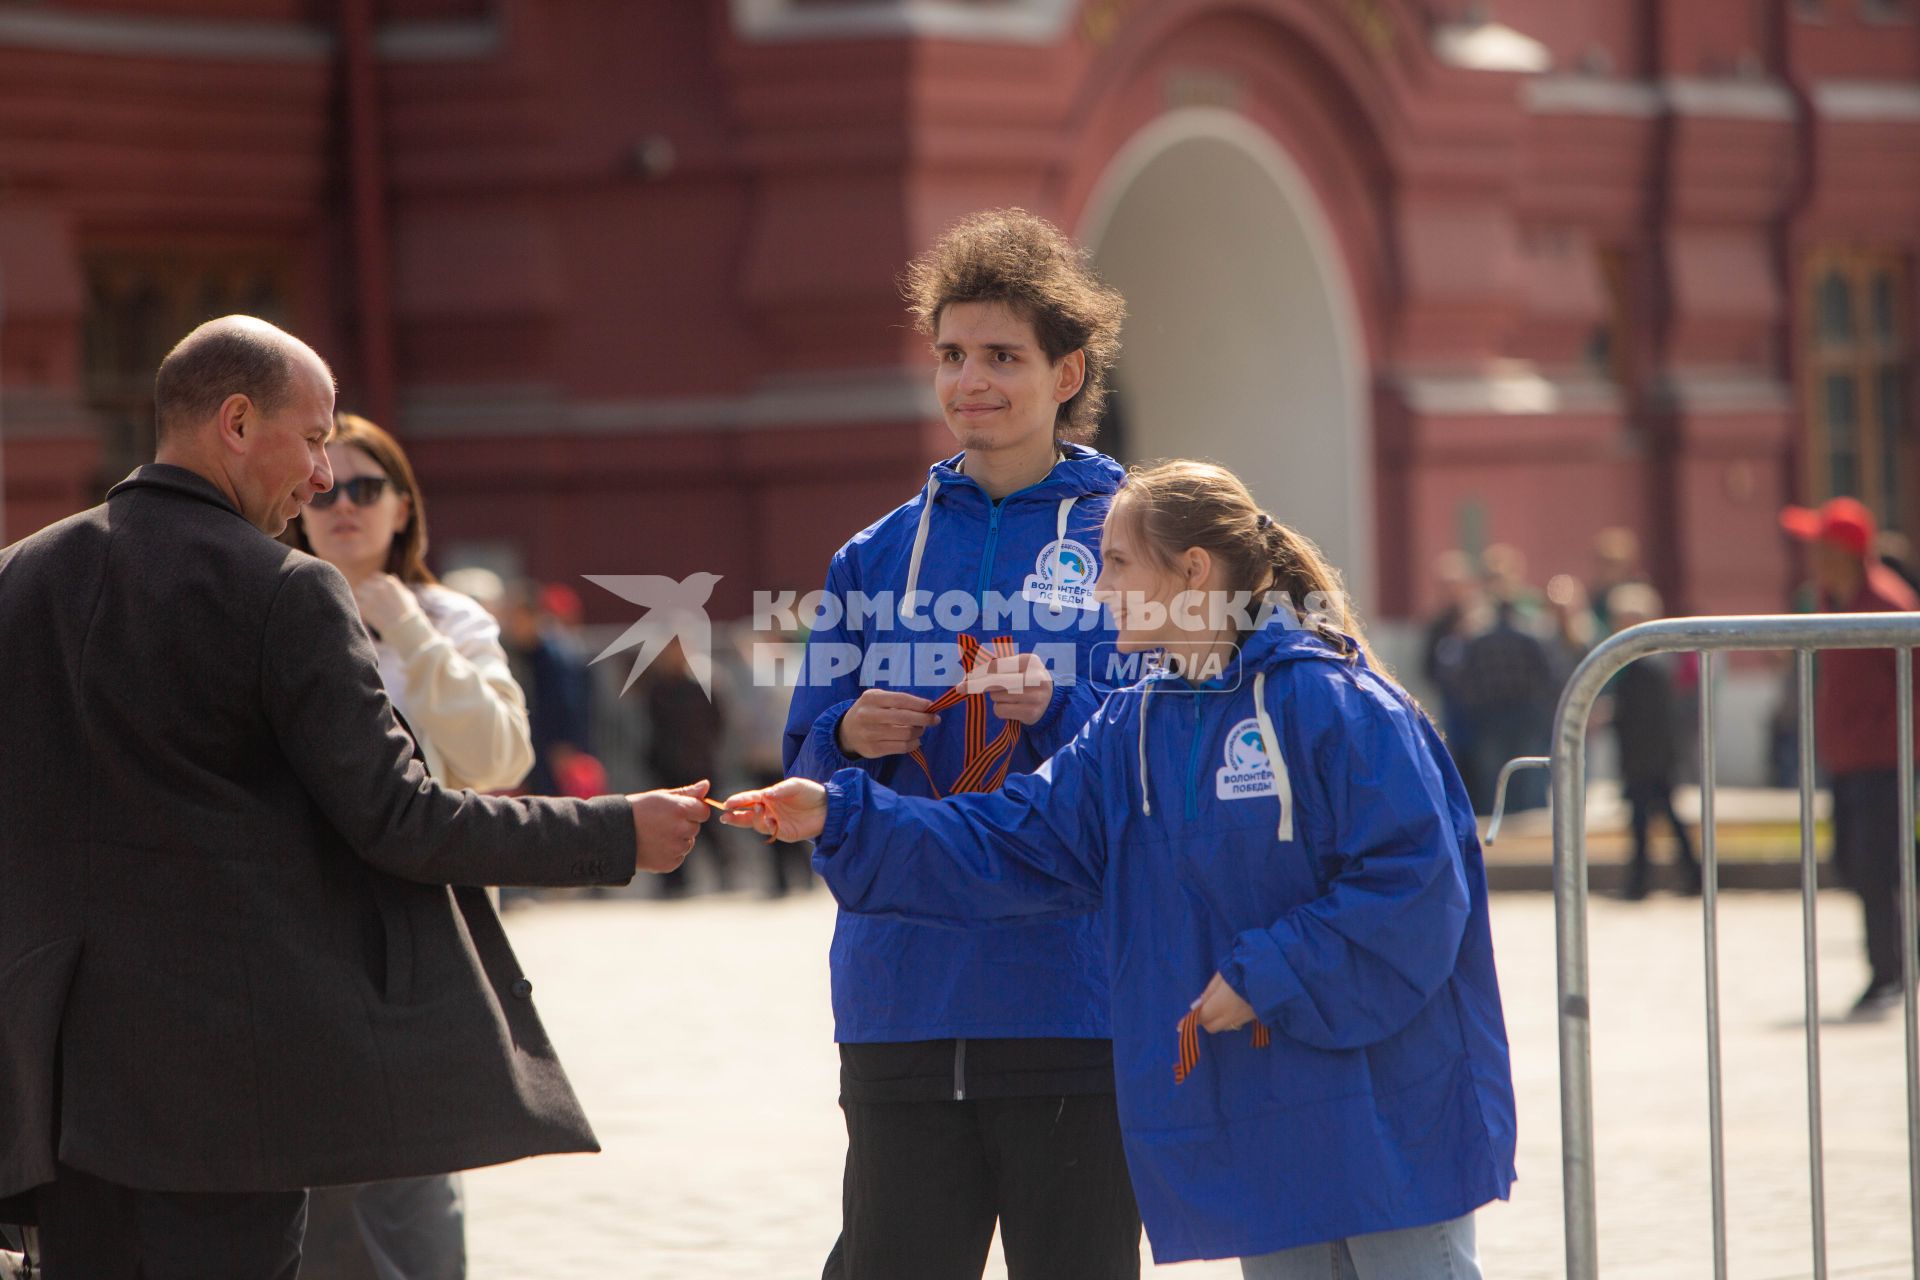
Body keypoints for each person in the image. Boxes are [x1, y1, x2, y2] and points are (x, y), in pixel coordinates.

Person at [0, 315, 713, 1278]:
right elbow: (402, 817)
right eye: (317, 435)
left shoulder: (19, 575)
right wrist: (614, 831)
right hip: (226, 1088)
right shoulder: (284, 589)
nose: (325, 474)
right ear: (238, 423)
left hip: (58, 1086)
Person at [728, 460, 1517, 1276]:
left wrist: (1263, 974)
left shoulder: (1338, 702)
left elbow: (1415, 887)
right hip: (1263, 1110)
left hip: (1387, 1105)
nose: (1101, 589)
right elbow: (1015, 838)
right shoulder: (1134, 723)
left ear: (1193, 572)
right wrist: (845, 814)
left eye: (1117, 562)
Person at [780, 208, 1141, 1278]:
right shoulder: (874, 555)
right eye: (950, 355)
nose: (969, 380)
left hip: (1072, 992)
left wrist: (1060, 716)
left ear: (1067, 370)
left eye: (1002, 355)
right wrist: (846, 730)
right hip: (901, 988)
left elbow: (1166, 762)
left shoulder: (1142, 540)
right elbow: (808, 773)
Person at [285, 412, 534, 1279]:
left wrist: (411, 634)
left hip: (429, 939)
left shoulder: (447, 616)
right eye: (328, 488)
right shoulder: (271, 606)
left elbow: (500, 756)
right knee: (312, 1193)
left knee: (415, 1183)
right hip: (302, 934)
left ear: (402, 508)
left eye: (367, 488)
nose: (343, 505)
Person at [1780, 496, 1920, 1020]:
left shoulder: (1887, 602)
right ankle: (1890, 968)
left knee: (1878, 867)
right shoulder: (1829, 598)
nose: (1811, 555)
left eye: (1819, 545)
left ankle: (1889, 974)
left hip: (1886, 760)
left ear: (1843, 550)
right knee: (1854, 864)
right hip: (1847, 759)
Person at [1604, 584, 1700, 901]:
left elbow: (1645, 715)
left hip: (1649, 757)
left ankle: (1644, 881)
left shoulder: (1646, 664)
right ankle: (1683, 875)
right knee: (1654, 819)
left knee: (1648, 820)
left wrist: (1614, 716)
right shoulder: (1645, 662)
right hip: (1647, 755)